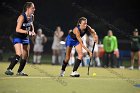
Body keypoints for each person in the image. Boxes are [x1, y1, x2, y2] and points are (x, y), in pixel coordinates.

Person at [5, 2, 35, 76]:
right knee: (19, 54)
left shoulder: (32, 16)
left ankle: (19, 71)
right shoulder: (21, 17)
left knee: (26, 55)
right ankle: (9, 69)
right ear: (28, 8)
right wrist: (28, 32)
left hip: (25, 37)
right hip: (18, 36)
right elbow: (17, 29)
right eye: (33, 8)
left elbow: (31, 24)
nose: (34, 9)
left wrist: (33, 31)